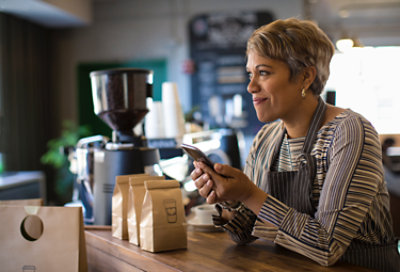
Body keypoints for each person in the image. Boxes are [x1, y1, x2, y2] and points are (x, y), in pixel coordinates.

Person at [190, 18, 400, 271]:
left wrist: (249, 194)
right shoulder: (266, 139)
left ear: (305, 76)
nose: (250, 86)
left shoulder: (349, 131)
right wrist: (229, 198)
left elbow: (327, 246)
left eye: (264, 72)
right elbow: (243, 234)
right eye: (250, 73)